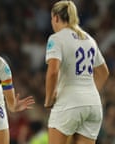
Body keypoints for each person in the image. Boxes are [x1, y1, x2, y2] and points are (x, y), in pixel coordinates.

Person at [44, 1, 109, 144]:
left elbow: (53, 71)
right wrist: (87, 93)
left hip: (68, 102)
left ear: (55, 17)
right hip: (93, 104)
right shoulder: (89, 39)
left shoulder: (56, 39)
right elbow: (104, 72)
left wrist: (48, 99)